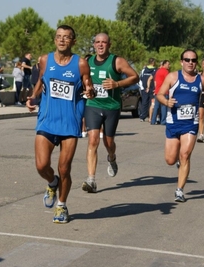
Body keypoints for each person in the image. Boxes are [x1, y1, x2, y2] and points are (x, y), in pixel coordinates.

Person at [26, 25, 95, 224]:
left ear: (73, 41)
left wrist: (90, 92)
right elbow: (41, 81)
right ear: (55, 39)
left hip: (70, 123)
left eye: (66, 37)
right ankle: (52, 182)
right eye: (58, 37)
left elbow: (89, 86)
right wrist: (32, 97)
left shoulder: (80, 63)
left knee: (64, 168)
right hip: (47, 120)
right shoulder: (45, 60)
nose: (62, 40)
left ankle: (62, 205)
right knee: (41, 165)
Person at [81, 33, 139, 193]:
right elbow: (82, 80)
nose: (100, 45)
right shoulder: (87, 61)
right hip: (92, 104)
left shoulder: (117, 61)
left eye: (104, 42)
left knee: (108, 143)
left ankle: (111, 157)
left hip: (111, 107)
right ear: (93, 44)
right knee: (92, 140)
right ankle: (91, 179)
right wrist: (87, 89)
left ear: (109, 44)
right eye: (97, 42)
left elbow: (135, 77)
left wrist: (117, 83)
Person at [156, 49, 204, 202]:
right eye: (187, 60)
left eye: (193, 60)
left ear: (196, 63)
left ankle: (180, 190)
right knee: (170, 160)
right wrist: (166, 101)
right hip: (173, 123)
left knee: (185, 155)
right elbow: (159, 94)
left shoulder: (202, 80)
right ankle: (177, 163)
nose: (190, 63)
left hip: (191, 124)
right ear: (181, 61)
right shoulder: (173, 77)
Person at [151, 60, 170, 125]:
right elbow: (168, 81)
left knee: (156, 107)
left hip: (157, 91)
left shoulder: (158, 71)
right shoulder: (166, 72)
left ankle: (153, 120)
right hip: (164, 92)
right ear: (164, 64)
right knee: (164, 106)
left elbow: (155, 81)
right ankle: (163, 121)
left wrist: (155, 89)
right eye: (168, 64)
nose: (169, 66)